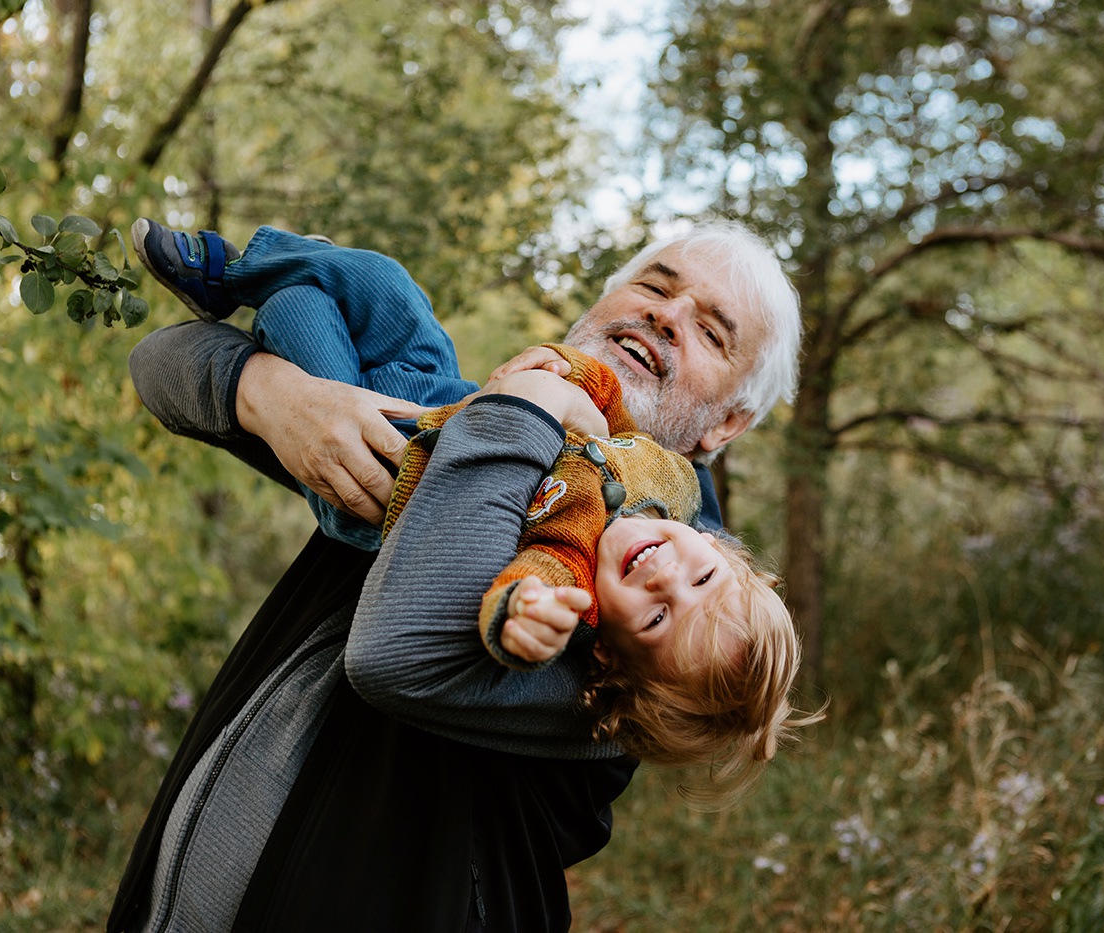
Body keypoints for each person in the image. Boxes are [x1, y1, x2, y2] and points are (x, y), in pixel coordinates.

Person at [108, 218, 805, 932]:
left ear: (728, 423)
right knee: (319, 297)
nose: (667, 314)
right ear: (595, 310)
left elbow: (394, 651)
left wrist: (535, 401)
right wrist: (275, 396)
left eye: (713, 333)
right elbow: (156, 362)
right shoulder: (480, 432)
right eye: (655, 286)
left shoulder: (662, 637)